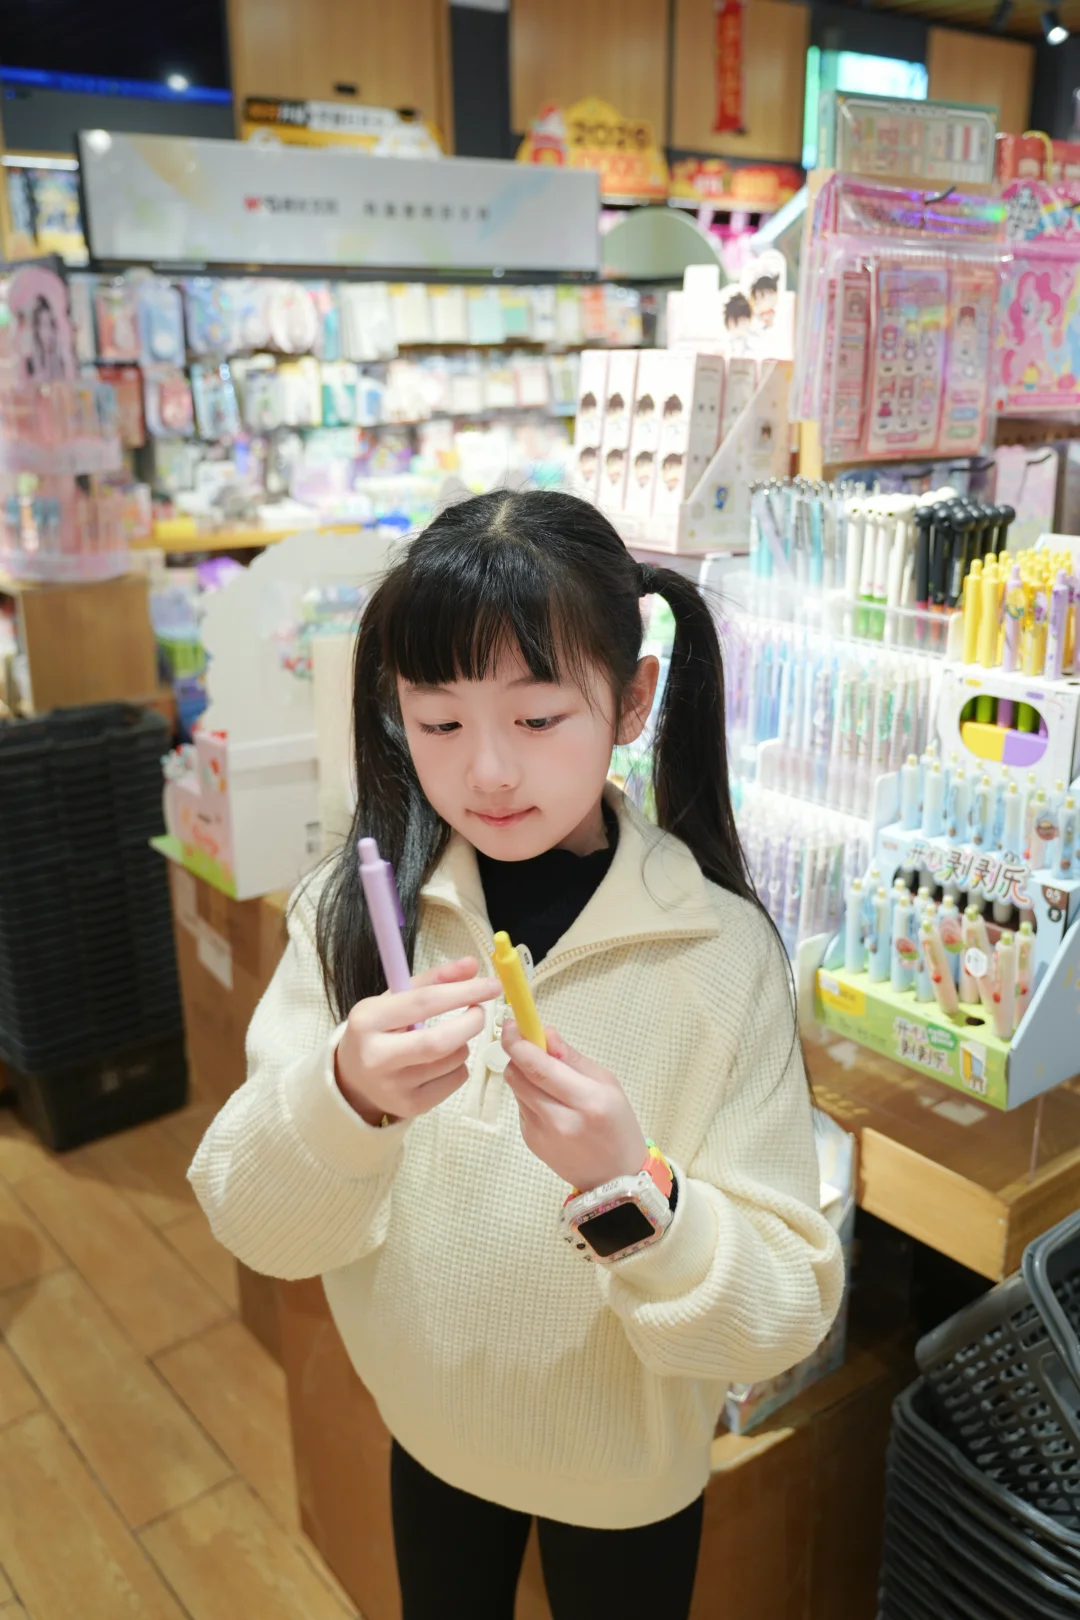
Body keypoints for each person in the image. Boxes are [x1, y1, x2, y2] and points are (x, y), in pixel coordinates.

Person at [190, 489, 843, 1620]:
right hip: (429, 1430)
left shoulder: (721, 952)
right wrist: (345, 1098)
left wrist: (633, 1189)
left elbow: (784, 1310)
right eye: (439, 723)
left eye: (537, 719)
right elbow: (252, 1221)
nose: (487, 772)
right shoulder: (352, 914)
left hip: (629, 1474)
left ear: (633, 701)